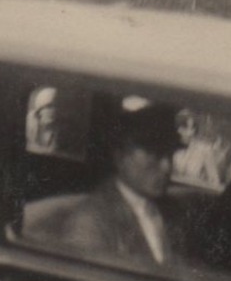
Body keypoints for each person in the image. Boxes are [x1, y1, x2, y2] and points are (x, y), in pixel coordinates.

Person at [23, 98, 191, 271]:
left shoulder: (169, 212)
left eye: (170, 154)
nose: (167, 166)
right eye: (153, 153)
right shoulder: (91, 222)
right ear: (119, 156)